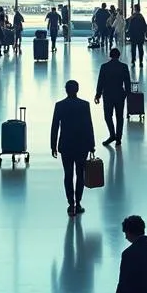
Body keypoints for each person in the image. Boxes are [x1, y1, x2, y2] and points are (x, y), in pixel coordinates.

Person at [50, 80, 96, 217]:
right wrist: (91, 144)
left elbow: (55, 127)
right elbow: (89, 125)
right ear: (77, 89)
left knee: (68, 174)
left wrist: (53, 145)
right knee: (80, 174)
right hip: (82, 145)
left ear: (66, 90)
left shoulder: (60, 105)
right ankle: (79, 202)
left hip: (66, 145)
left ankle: (71, 204)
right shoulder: (84, 105)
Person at [95, 47, 132, 148]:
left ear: (110, 56)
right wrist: (128, 95)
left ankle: (112, 134)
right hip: (120, 94)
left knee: (108, 116)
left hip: (107, 94)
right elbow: (127, 82)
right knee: (119, 117)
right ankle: (118, 138)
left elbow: (100, 82)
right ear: (119, 56)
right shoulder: (123, 67)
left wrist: (98, 94)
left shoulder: (104, 67)